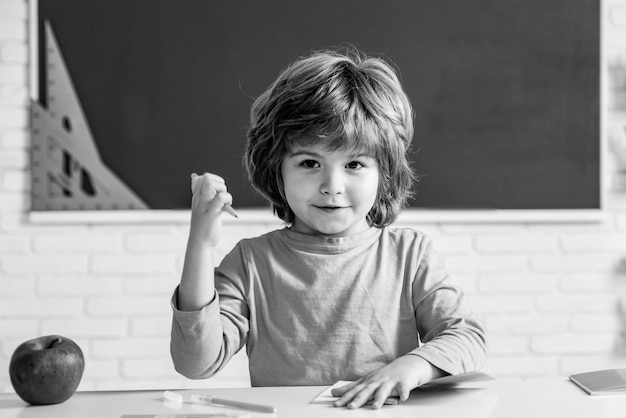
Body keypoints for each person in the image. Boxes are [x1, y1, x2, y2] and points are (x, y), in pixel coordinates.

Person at [170, 48, 486, 409]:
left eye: (354, 163)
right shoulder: (252, 261)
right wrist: (201, 244)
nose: (332, 185)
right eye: (309, 162)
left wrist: (412, 367)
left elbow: (466, 336)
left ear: (384, 173)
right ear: (277, 170)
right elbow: (196, 363)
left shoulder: (410, 254)